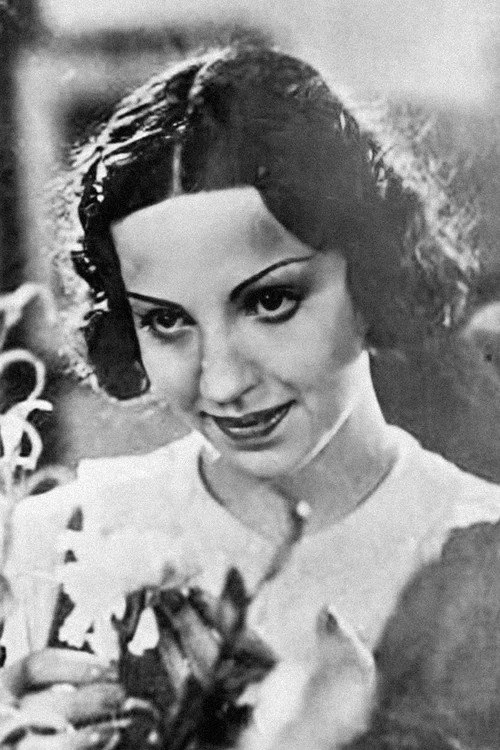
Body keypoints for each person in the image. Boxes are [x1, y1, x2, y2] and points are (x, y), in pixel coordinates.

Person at [1, 44, 499, 748]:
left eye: (270, 302)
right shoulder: (62, 542)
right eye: (166, 321)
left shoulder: (484, 558)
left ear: (372, 270)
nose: (224, 383)